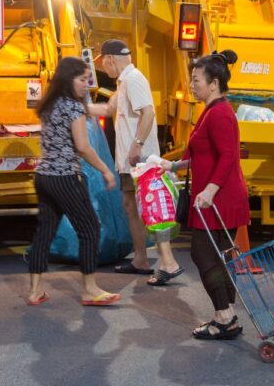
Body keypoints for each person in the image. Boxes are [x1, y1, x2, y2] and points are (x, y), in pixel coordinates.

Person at [160, 50, 249, 340]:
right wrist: (173, 165)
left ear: (214, 84)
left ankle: (224, 316)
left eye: (196, 79)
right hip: (217, 197)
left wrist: (210, 190)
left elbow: (228, 156)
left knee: (203, 254)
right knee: (220, 257)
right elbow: (201, 154)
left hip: (219, 198)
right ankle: (228, 314)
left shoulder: (219, 113)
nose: (191, 84)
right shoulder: (212, 110)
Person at [27, 56, 121, 307]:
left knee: (45, 232)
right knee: (90, 229)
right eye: (82, 79)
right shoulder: (73, 107)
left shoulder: (50, 104)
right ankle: (89, 289)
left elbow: (100, 110)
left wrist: (111, 103)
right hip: (65, 177)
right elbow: (83, 147)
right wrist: (105, 170)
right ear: (69, 79)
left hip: (44, 177)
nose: (86, 84)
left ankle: (35, 291)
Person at [89, 39, 183, 285]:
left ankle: (168, 262)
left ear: (110, 59)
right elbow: (108, 109)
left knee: (151, 209)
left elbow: (148, 112)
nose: (103, 67)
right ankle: (141, 259)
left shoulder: (133, 79)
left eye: (103, 62)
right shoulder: (123, 82)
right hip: (130, 161)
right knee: (131, 206)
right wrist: (77, 107)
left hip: (140, 160)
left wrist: (137, 144)